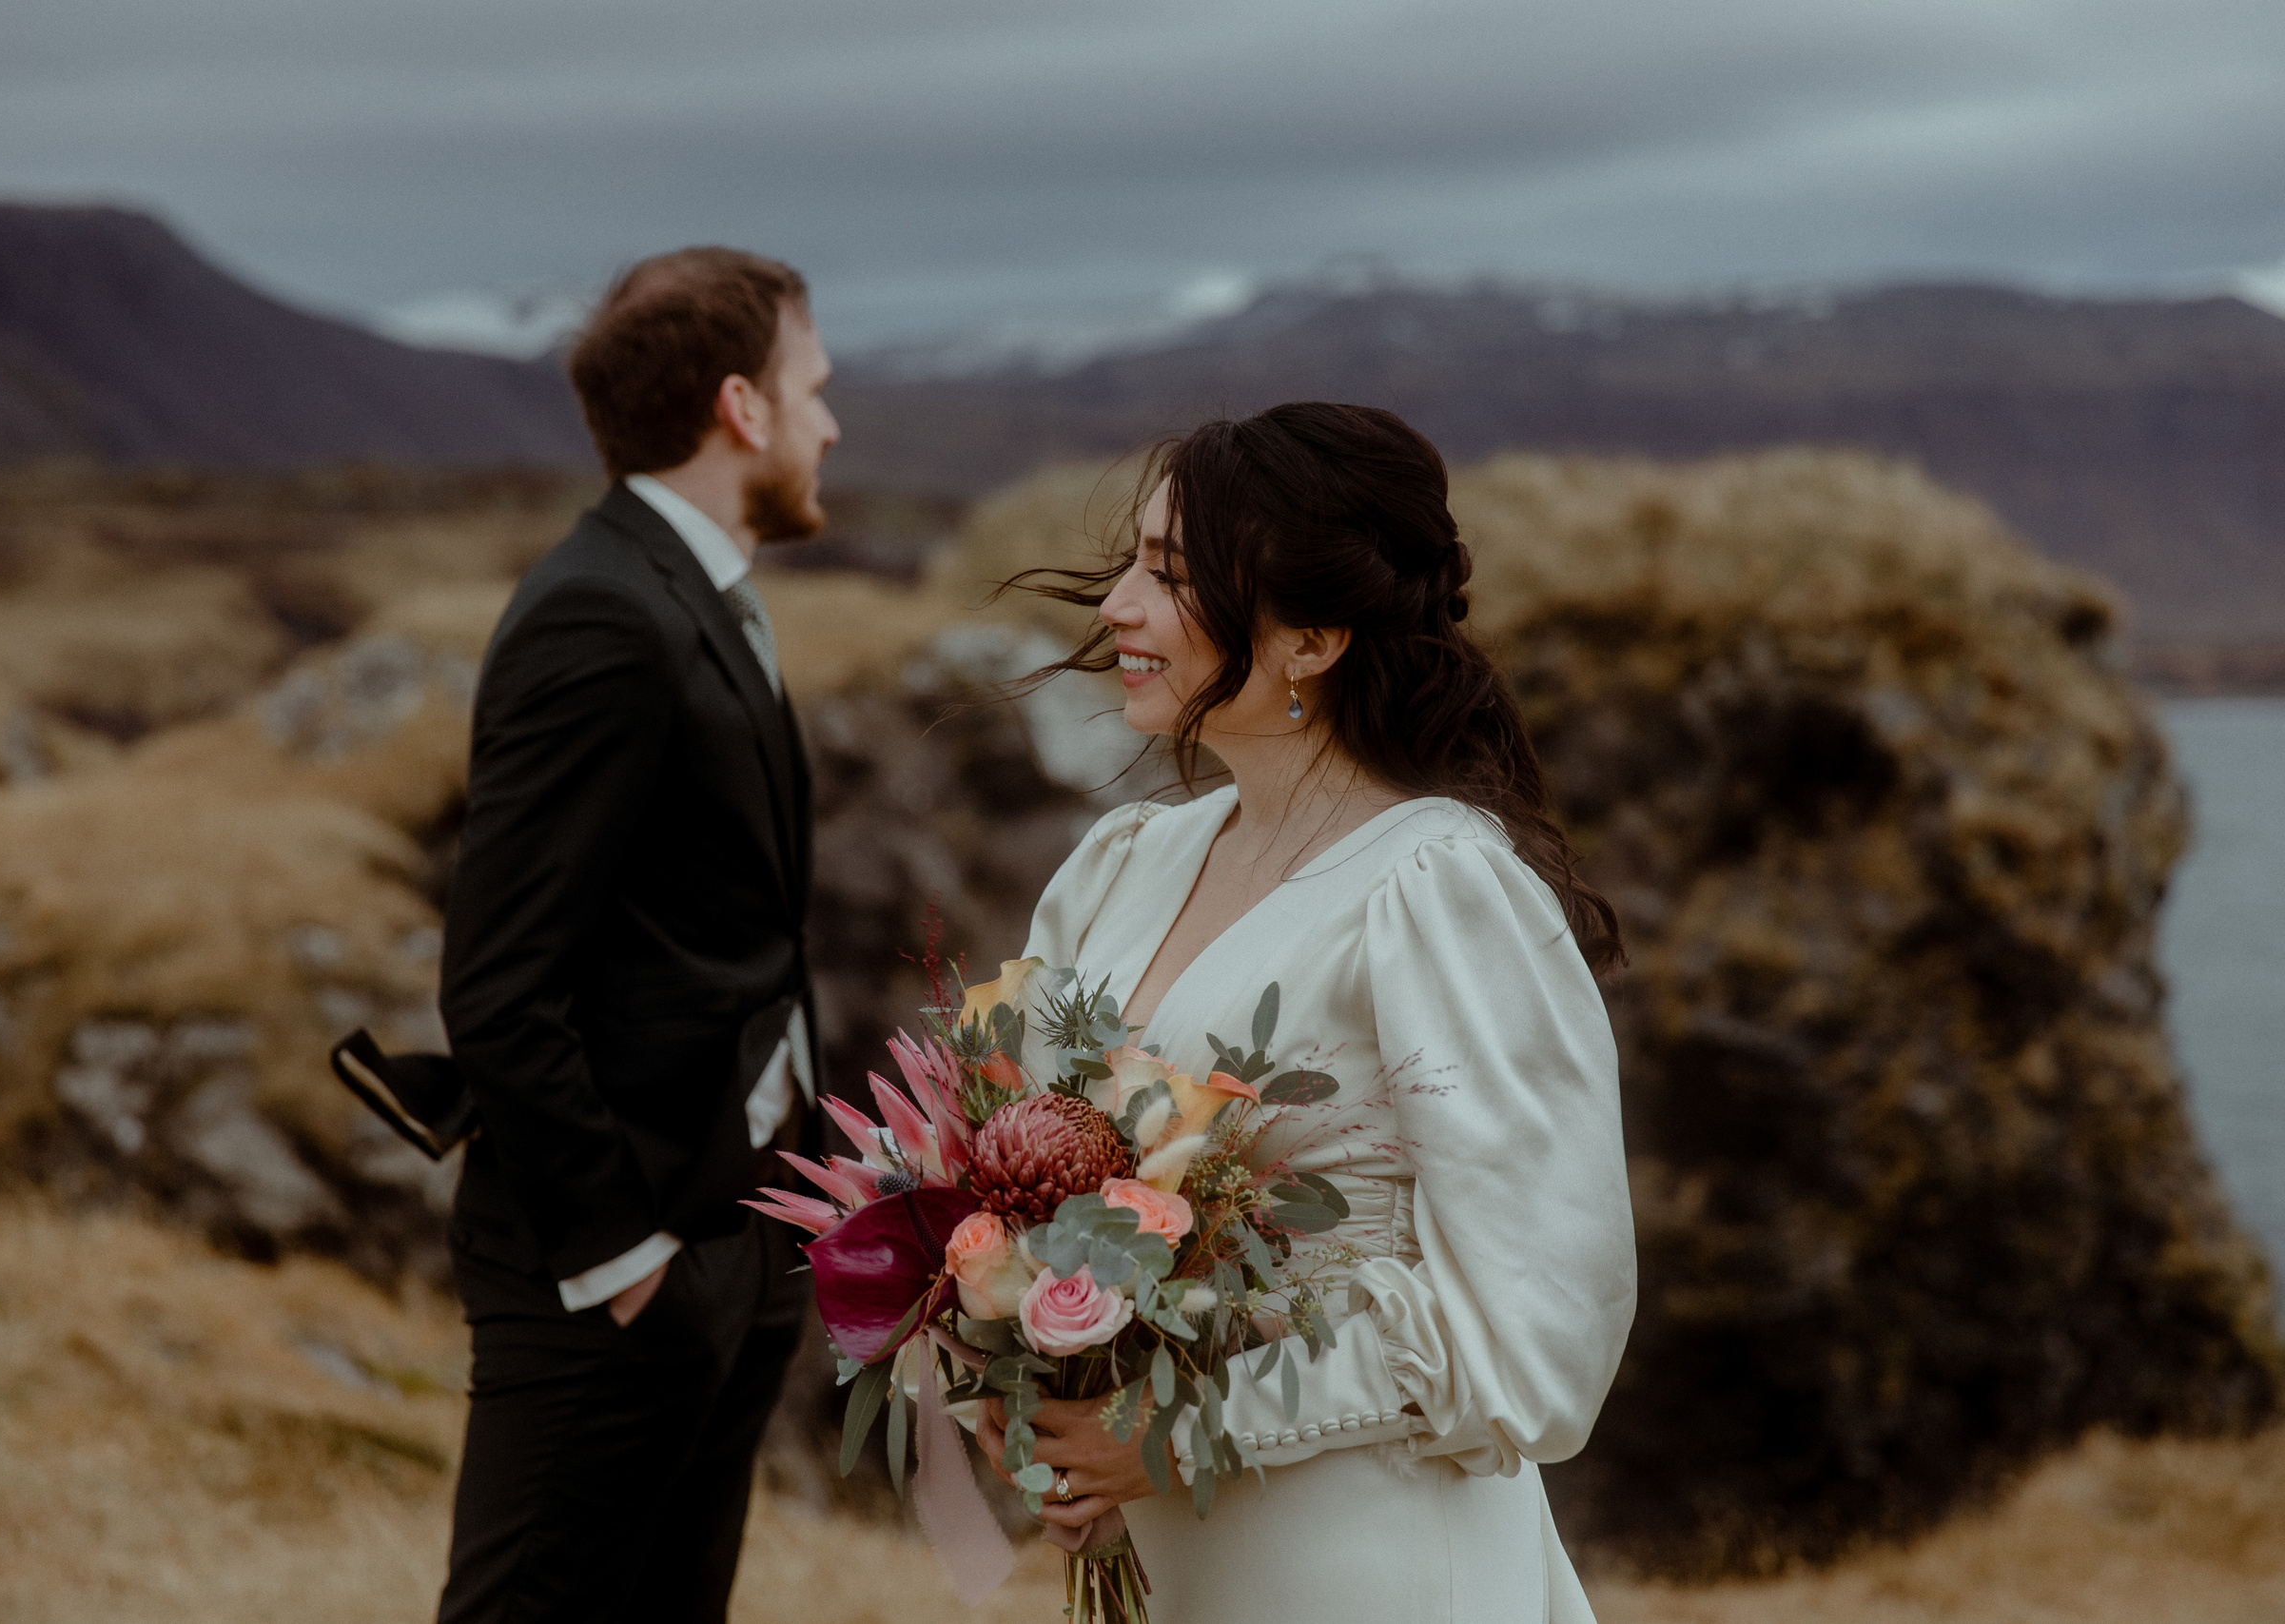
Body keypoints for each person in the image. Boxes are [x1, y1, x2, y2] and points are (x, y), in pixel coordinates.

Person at [977, 402, 1638, 1622]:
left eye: (1168, 576)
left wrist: (1191, 1426)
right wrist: (1043, 1400)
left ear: (1313, 639)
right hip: (1178, 1555)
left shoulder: (1439, 893)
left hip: (1368, 1554)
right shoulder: (1121, 866)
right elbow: (1020, 1179)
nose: (1116, 606)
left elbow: (1540, 1335)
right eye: (1129, 563)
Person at [432, 246, 838, 1624]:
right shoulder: (601, 613)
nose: (832, 423)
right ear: (743, 407)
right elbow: (497, 983)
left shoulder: (694, 587)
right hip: (613, 1274)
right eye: (814, 389)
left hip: (733, 1240)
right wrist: (625, 1267)